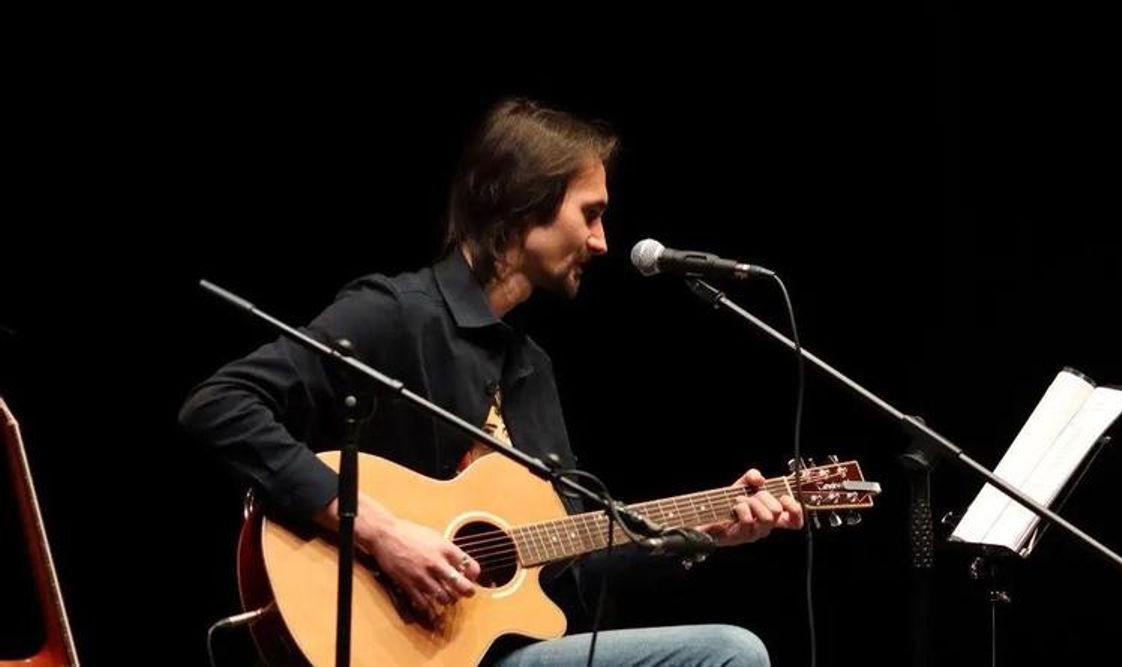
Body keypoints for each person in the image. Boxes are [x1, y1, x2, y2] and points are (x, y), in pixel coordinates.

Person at [179, 97, 804, 666]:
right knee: (729, 654)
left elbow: (574, 567)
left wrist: (706, 533)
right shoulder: (397, 314)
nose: (602, 242)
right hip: (390, 646)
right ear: (526, 204)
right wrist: (383, 532)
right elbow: (220, 404)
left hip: (495, 652)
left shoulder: (531, 369)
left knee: (726, 649)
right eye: (590, 214)